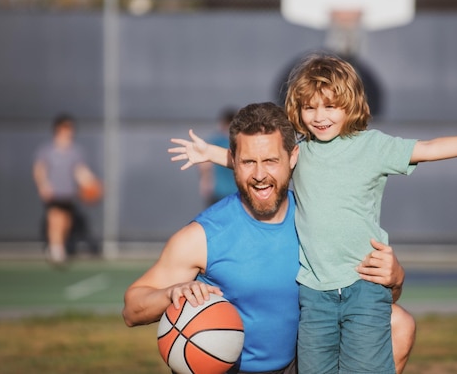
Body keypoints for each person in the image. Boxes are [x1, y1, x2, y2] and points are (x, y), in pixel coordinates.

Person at [171, 53, 457, 373]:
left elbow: (428, 148)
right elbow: (259, 164)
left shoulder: (374, 146)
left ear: (350, 104)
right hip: (314, 293)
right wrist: (211, 154)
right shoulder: (301, 152)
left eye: (330, 106)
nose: (319, 116)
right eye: (310, 108)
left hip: (364, 286)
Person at [126, 102, 415, 374]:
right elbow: (132, 309)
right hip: (231, 368)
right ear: (233, 162)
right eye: (248, 162)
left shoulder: (318, 221)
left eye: (270, 161)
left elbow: (367, 300)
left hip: (302, 362)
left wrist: (395, 277)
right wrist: (171, 293)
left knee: (397, 323)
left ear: (293, 158)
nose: (260, 174)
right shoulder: (202, 237)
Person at [33, 113, 101, 265]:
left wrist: (91, 182)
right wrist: (43, 185)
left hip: (68, 193)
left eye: (70, 128)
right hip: (53, 193)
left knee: (66, 222)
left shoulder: (75, 151)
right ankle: (56, 250)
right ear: (58, 129)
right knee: (55, 219)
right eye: (65, 128)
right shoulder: (48, 150)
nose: (69, 131)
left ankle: (59, 247)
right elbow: (39, 169)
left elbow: (80, 171)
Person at [198, 108, 238, 208]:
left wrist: (205, 182)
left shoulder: (214, 142)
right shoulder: (240, 143)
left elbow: (204, 166)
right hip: (237, 193)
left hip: (218, 192)